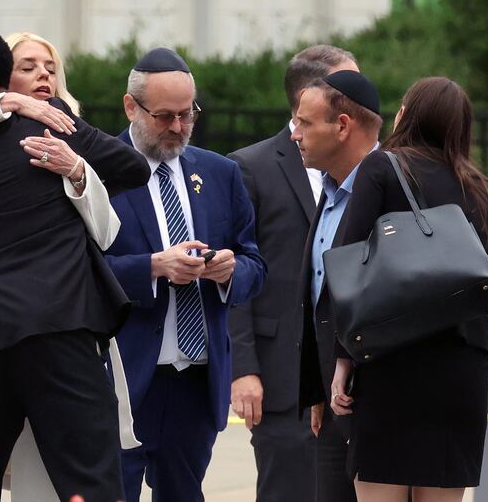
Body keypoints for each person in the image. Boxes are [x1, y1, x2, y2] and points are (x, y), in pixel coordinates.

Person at [0, 25, 151, 502]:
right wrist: (76, 162)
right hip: (63, 325)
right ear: (6, 75)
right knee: (90, 482)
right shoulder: (51, 123)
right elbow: (134, 168)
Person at [329, 77, 488, 502]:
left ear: (406, 116)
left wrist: (342, 360)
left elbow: (348, 266)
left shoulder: (382, 168)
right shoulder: (484, 190)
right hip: (461, 368)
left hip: (390, 365)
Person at [104, 47, 267, 501]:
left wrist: (229, 271)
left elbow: (256, 265)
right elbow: (80, 270)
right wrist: (154, 266)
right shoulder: (98, 170)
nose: (178, 127)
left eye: (187, 114)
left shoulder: (220, 172)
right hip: (124, 375)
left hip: (195, 379)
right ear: (131, 107)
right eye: (164, 116)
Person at [227, 44, 358, 502]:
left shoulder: (370, 169)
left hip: (353, 373)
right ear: (309, 95)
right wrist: (243, 368)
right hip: (281, 374)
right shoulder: (250, 167)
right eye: (349, 84)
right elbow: (237, 274)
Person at [292, 70, 383, 502]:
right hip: (333, 402)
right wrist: (319, 382)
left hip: (382, 403)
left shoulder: (395, 187)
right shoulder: (330, 190)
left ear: (342, 126)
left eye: (304, 123)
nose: (294, 134)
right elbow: (321, 297)